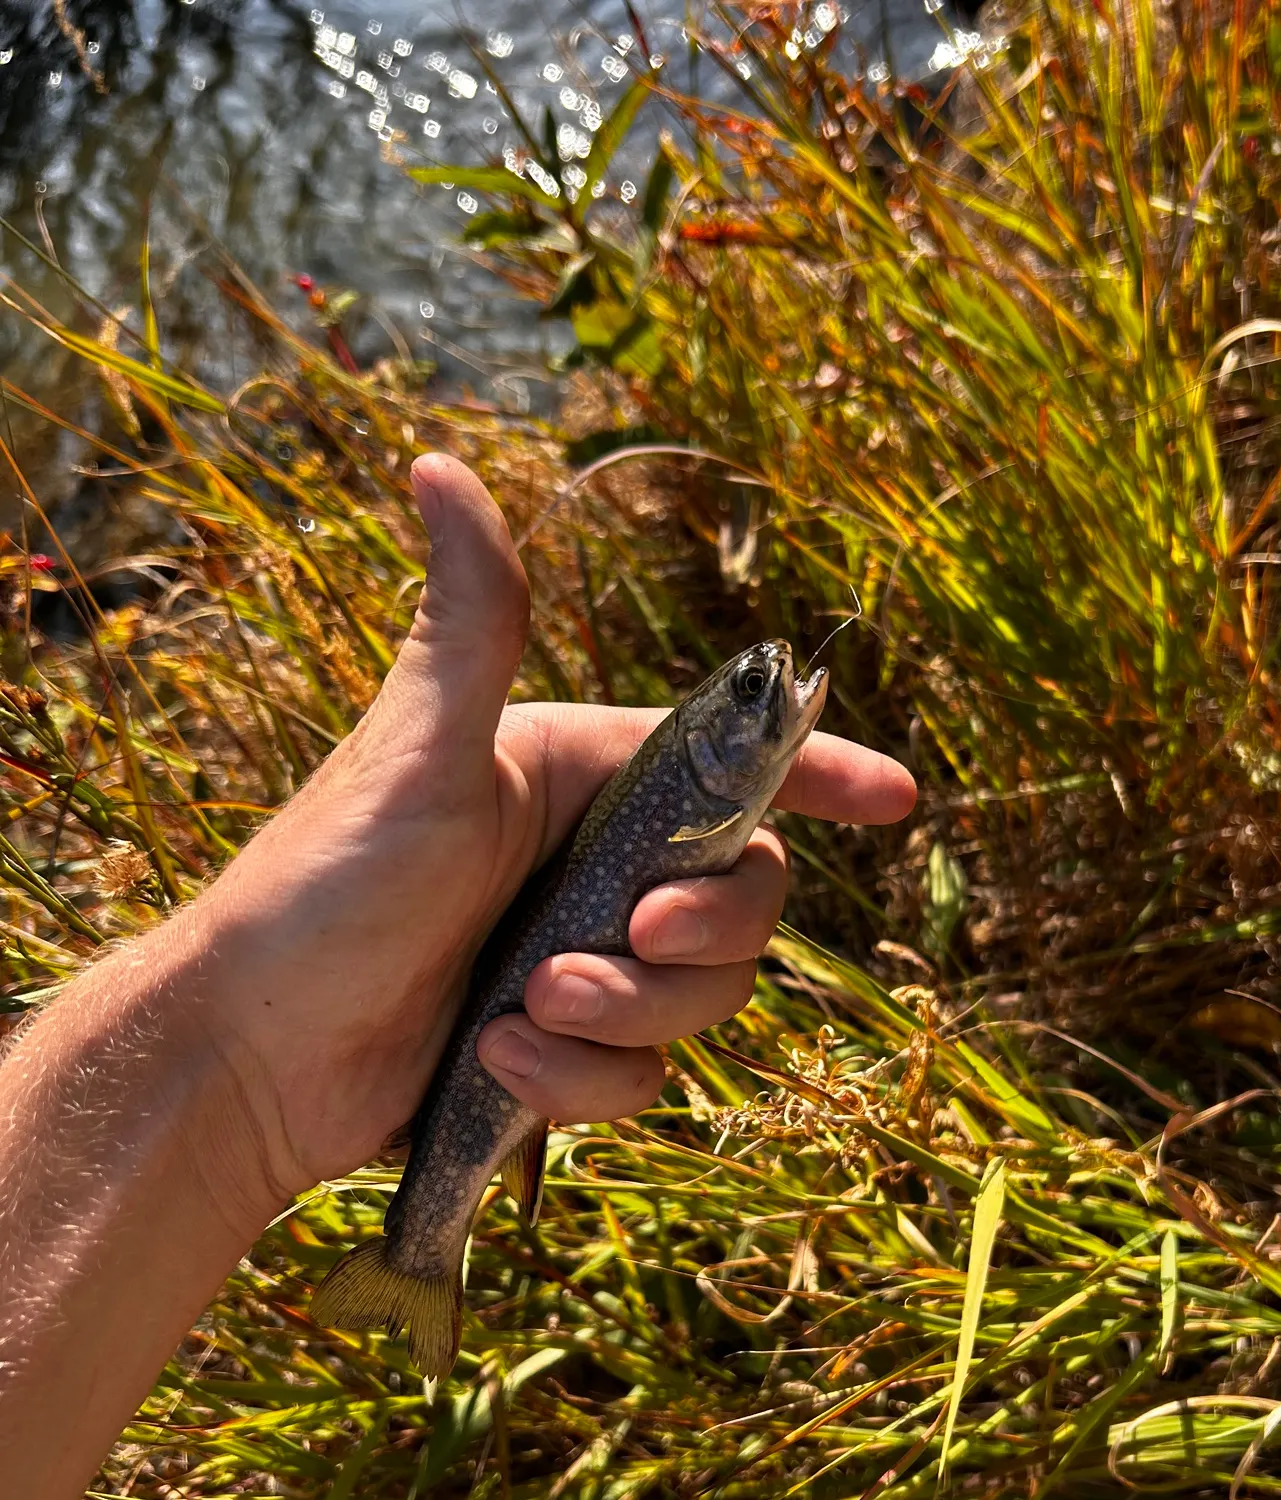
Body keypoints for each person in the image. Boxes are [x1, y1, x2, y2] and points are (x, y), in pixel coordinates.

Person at [0, 454, 916, 1495]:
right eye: (751, 695)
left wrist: (230, 1063)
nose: (769, 692)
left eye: (755, 693)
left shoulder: (694, 788)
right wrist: (228, 1062)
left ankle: (421, 1248)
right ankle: (419, 1254)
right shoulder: (680, 799)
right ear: (709, 755)